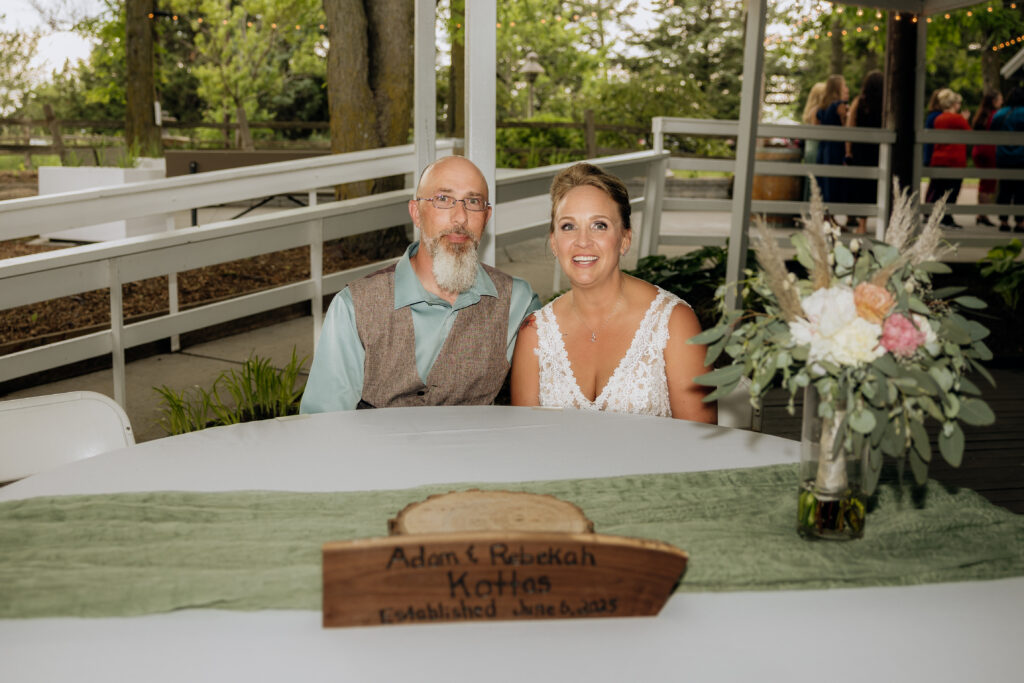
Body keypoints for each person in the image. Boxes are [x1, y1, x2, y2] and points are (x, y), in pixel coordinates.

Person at [300, 155, 541, 413]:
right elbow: (325, 424)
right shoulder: (354, 306)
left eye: (473, 201)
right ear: (416, 212)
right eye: (443, 199)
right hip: (372, 452)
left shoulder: (517, 301)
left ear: (486, 216)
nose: (460, 218)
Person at [510, 163, 717, 423]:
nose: (582, 241)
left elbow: (701, 445)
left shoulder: (674, 323)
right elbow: (526, 442)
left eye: (599, 225)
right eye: (568, 226)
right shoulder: (535, 334)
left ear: (625, 239)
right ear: (554, 242)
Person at [844, 70, 884, 235]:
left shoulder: (859, 103)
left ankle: (861, 225)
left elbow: (850, 126)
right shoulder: (885, 104)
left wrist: (848, 151)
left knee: (861, 187)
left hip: (861, 148)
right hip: (879, 148)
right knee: (877, 186)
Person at [925, 89, 970, 229]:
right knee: (952, 191)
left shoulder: (938, 119)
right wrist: (965, 119)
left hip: (939, 159)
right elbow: (969, 133)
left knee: (939, 190)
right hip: (954, 160)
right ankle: (947, 217)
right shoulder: (958, 119)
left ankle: (934, 216)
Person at [815, 74, 849, 225]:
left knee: (825, 182)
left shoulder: (822, 107)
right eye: (844, 86)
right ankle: (830, 218)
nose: (847, 89)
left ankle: (828, 217)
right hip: (835, 147)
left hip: (823, 147)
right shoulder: (839, 106)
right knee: (834, 182)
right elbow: (845, 127)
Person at [992, 87, 1024, 232]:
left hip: (1003, 156)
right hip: (1021, 156)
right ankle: (1020, 221)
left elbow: (993, 130)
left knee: (1004, 189)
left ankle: (1003, 221)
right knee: (1021, 190)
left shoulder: (1001, 113)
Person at [972, 89, 1003, 227]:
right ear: (994, 101)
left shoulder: (980, 115)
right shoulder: (995, 115)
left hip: (978, 150)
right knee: (988, 184)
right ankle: (983, 214)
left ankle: (980, 214)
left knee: (983, 183)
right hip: (989, 150)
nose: (1002, 102)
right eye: (1000, 99)